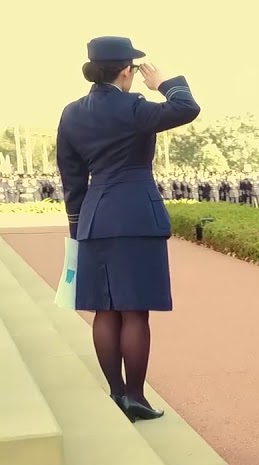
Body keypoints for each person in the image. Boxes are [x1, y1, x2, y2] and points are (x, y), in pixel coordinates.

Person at [56, 36, 200, 422]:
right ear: (126, 70)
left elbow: (72, 179)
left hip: (94, 217)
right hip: (136, 214)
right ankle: (135, 396)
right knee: (134, 312)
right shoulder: (135, 106)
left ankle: (116, 393)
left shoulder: (71, 113)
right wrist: (165, 84)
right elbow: (187, 107)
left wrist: (77, 225)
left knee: (105, 310)